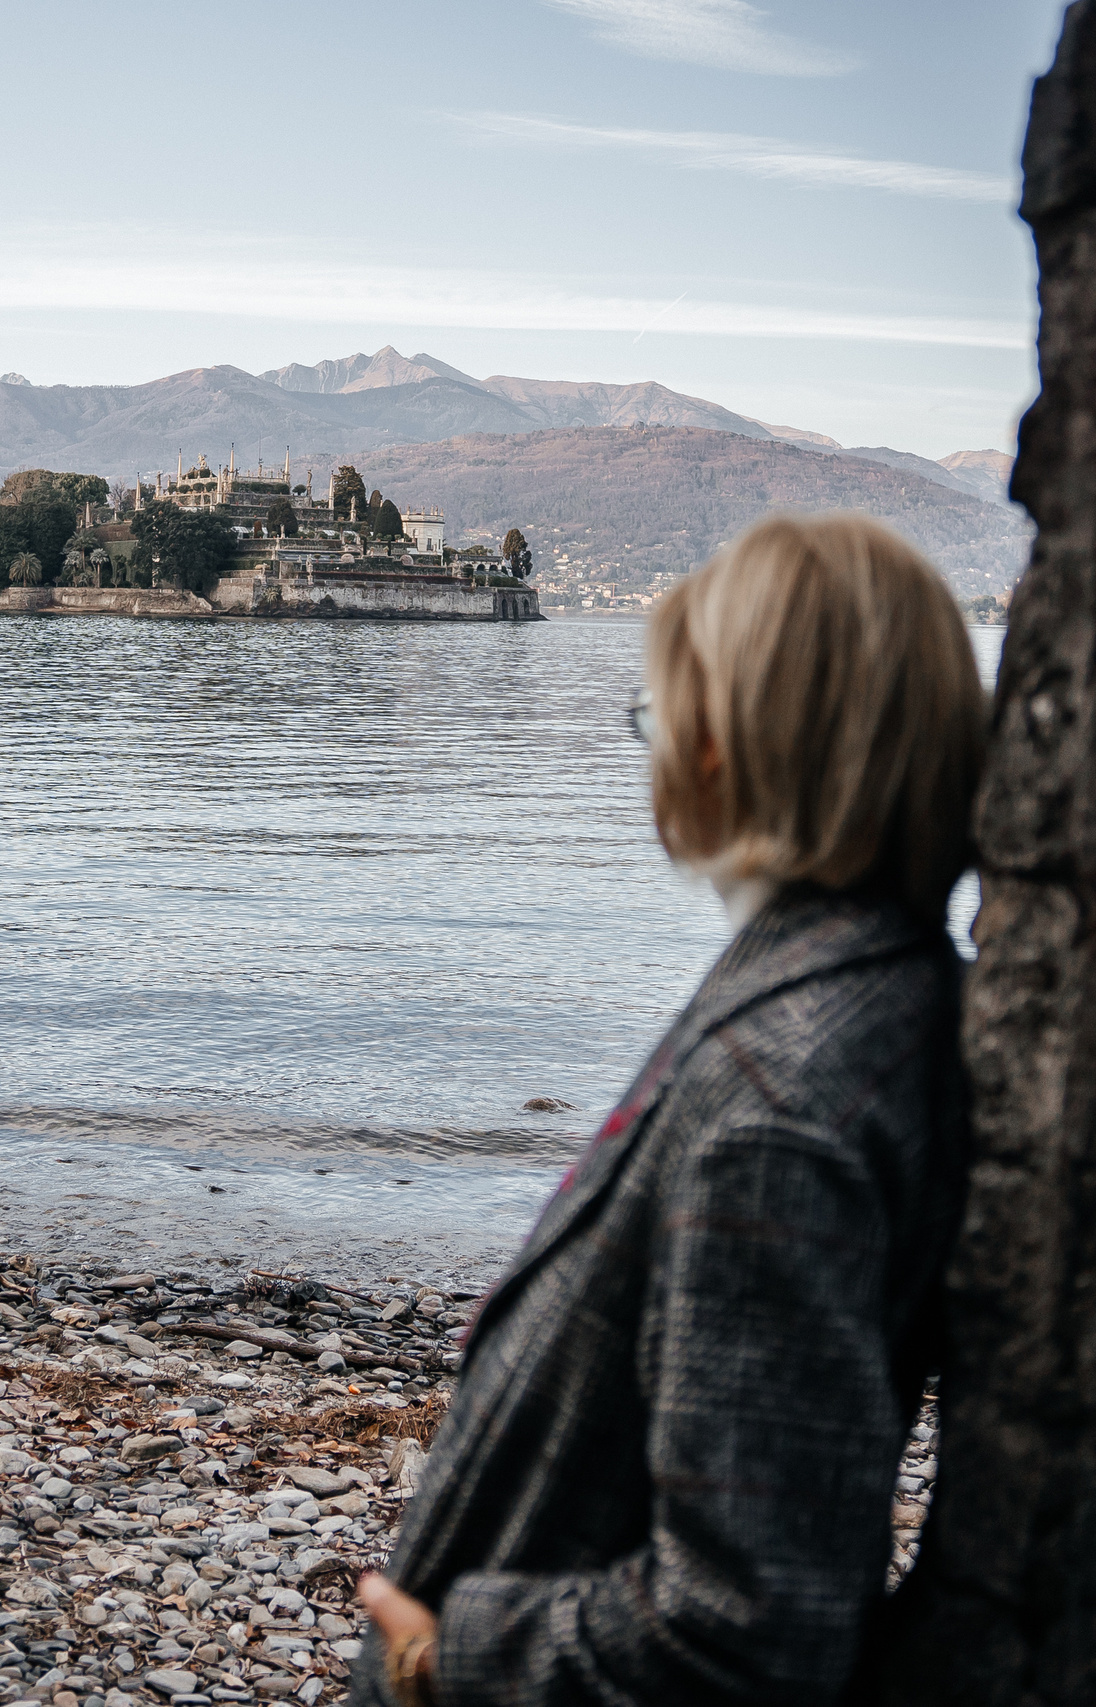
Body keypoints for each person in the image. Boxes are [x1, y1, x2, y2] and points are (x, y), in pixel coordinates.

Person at [353, 512, 988, 1707]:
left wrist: (451, 1657)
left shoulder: (776, 1104)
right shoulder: (869, 997)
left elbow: (745, 1624)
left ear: (720, 749)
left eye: (658, 718)